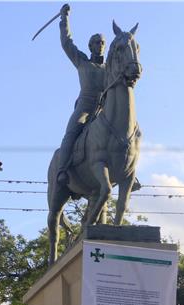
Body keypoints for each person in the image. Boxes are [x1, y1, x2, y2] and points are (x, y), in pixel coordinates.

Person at [56, 3, 106, 187]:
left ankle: (127, 172)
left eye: (102, 43)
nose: (99, 46)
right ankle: (62, 170)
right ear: (90, 46)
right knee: (71, 133)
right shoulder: (82, 62)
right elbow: (66, 42)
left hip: (103, 109)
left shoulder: (109, 68)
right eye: (96, 42)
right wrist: (65, 19)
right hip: (85, 108)